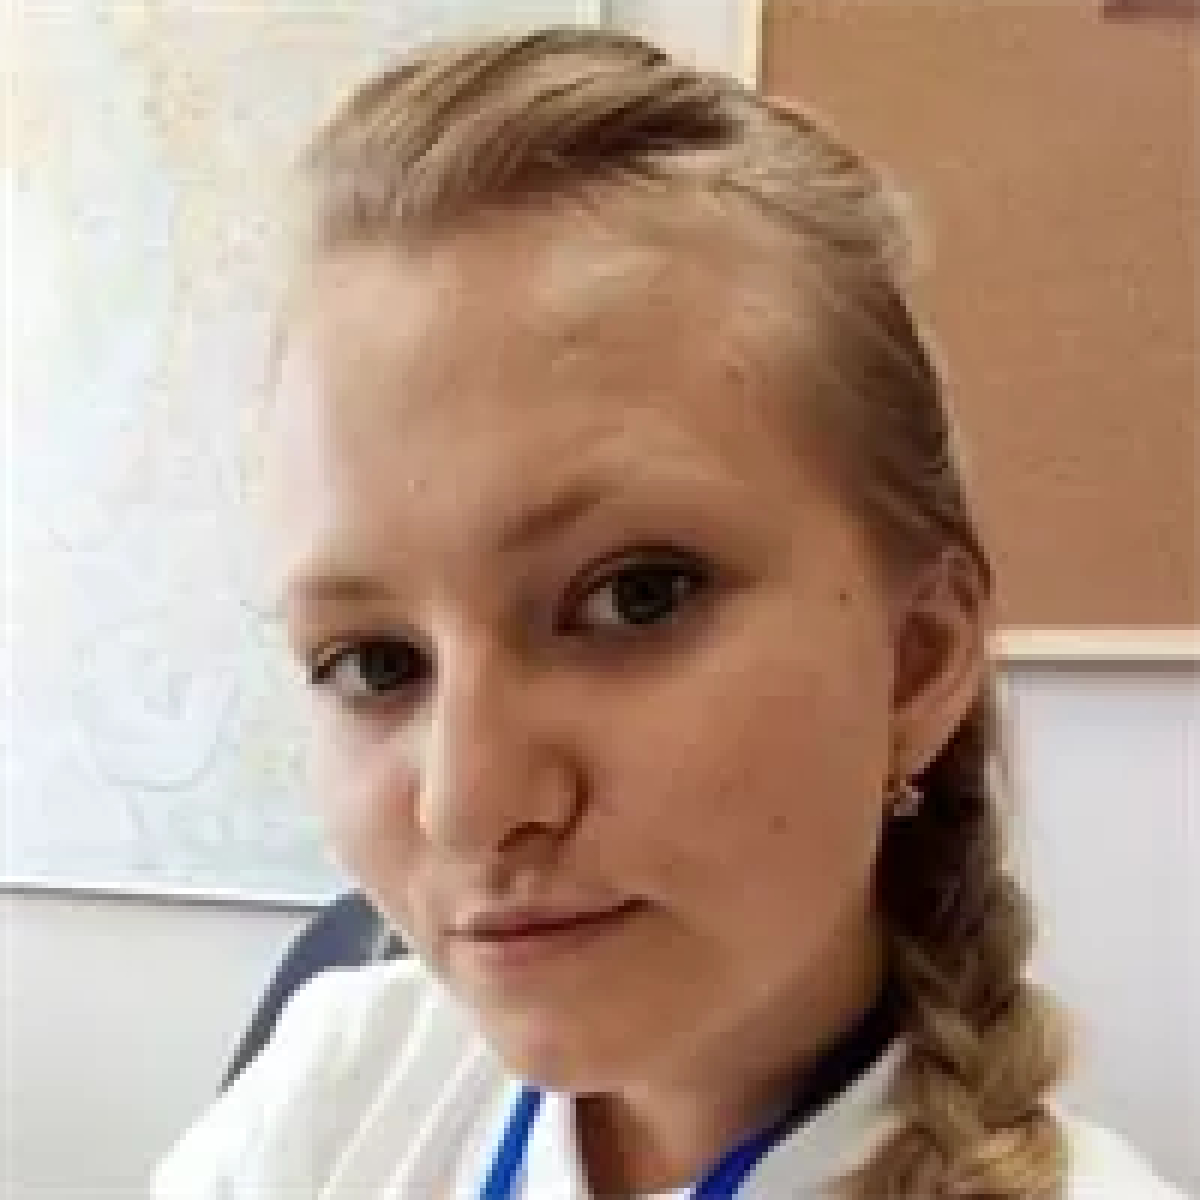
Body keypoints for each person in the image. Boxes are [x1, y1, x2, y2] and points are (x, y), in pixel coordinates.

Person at [154, 27, 1187, 1200]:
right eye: (374, 664)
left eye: (632, 596)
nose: (468, 804)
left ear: (915, 659)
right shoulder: (339, 1093)